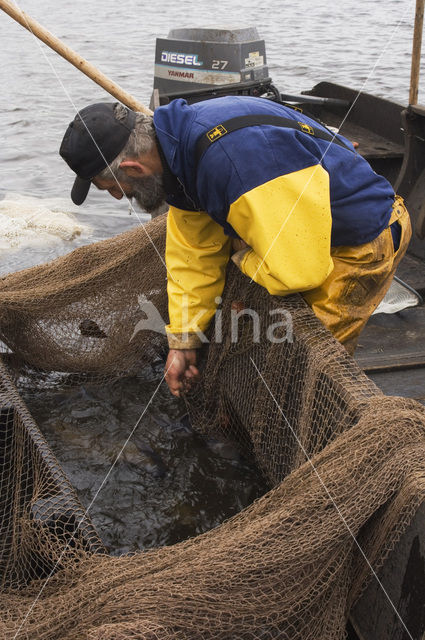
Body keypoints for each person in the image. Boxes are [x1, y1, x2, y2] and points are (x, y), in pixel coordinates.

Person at [60, 96, 411, 397]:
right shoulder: (176, 151)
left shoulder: (237, 162)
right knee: (271, 349)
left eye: (112, 188)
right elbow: (193, 256)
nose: (121, 197)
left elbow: (298, 272)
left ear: (133, 167)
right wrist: (183, 342)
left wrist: (243, 258)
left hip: (361, 242)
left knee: (306, 370)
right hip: (303, 236)